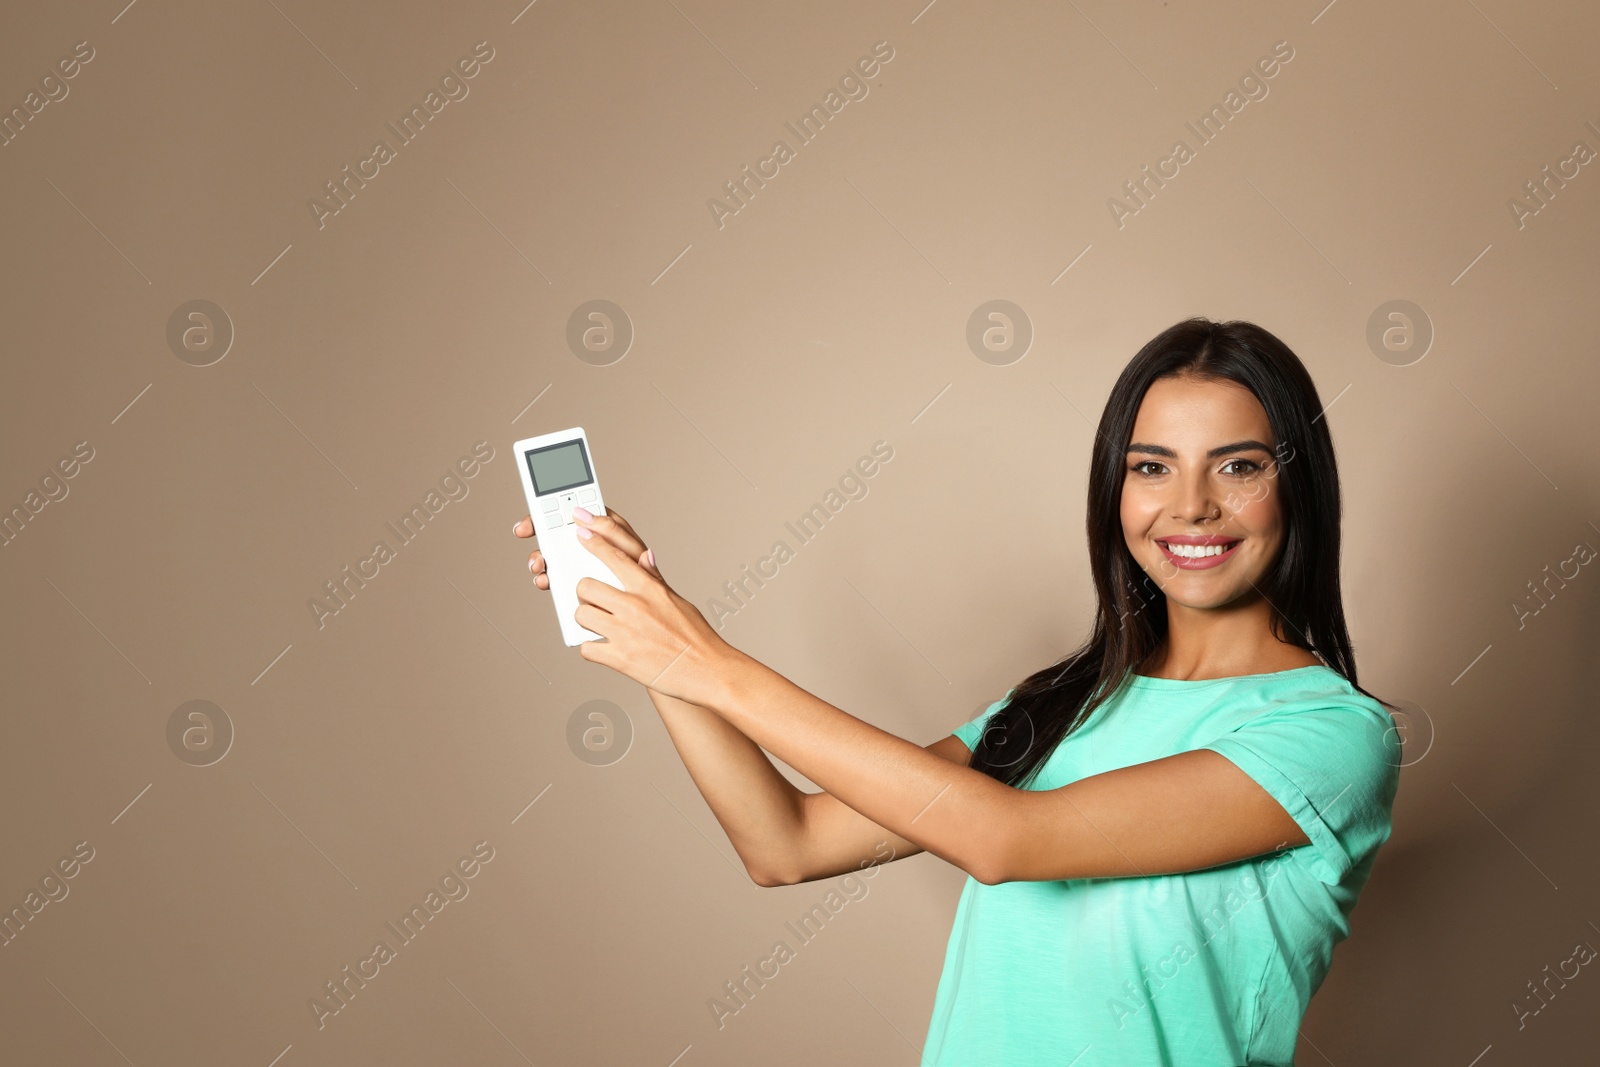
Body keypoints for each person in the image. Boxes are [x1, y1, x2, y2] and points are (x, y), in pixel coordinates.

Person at [512, 316, 1404, 1066]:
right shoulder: (1062, 704)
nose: (1193, 504)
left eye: (1239, 466)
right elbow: (786, 843)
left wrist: (709, 659)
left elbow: (1004, 839)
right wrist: (655, 650)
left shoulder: (1328, 734)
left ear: (1298, 486)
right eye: (1151, 466)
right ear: (1114, 487)